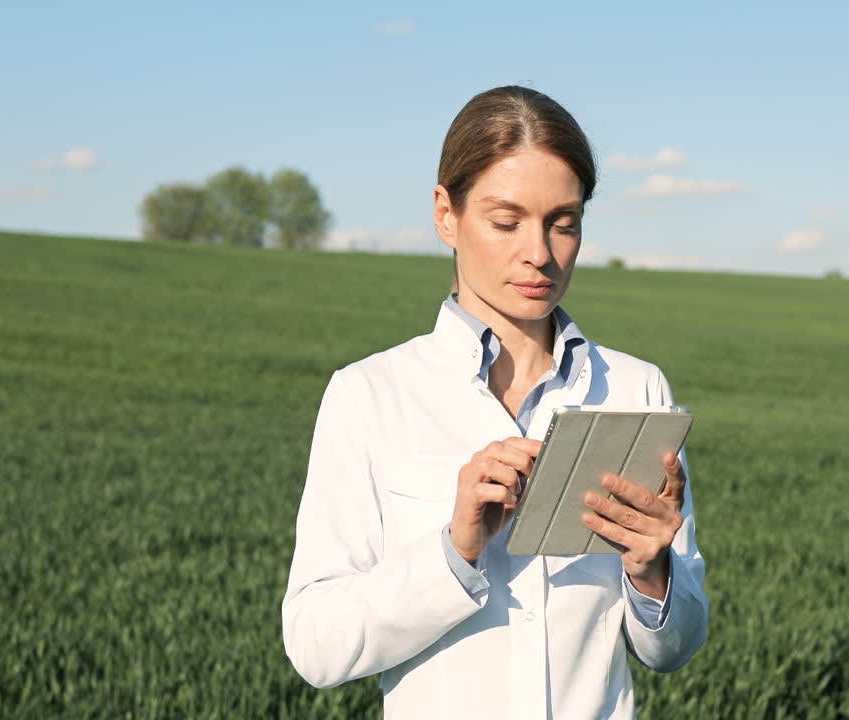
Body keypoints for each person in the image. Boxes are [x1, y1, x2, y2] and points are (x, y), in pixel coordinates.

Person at [281, 85, 708, 719]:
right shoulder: (368, 396)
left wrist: (655, 576)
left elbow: (674, 646)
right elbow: (317, 644)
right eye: (506, 222)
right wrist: (453, 551)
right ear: (445, 215)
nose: (538, 252)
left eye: (563, 224)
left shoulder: (636, 389)